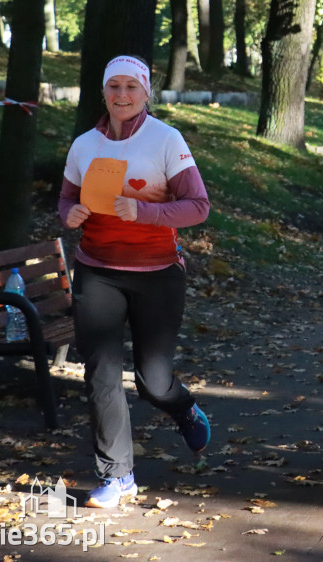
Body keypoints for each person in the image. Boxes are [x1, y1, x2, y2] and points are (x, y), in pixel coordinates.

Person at [59, 55, 212, 509]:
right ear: (104, 92)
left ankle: (182, 406)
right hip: (97, 270)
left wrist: (145, 211)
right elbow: (67, 198)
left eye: (131, 87)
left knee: (153, 382)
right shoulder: (84, 144)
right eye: (114, 87)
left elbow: (198, 206)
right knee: (101, 373)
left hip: (157, 274)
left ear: (146, 92)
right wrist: (68, 214)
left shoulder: (166, 140)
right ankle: (117, 476)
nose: (122, 96)